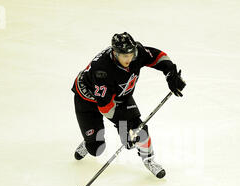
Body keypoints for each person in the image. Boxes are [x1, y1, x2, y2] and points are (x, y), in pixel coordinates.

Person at [72, 32, 186, 178]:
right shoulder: (102, 70)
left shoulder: (137, 53)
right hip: (87, 100)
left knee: (139, 130)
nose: (129, 58)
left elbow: (159, 57)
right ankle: (90, 141)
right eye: (124, 56)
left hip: (119, 97)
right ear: (115, 53)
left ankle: (149, 160)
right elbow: (105, 107)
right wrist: (124, 126)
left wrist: (171, 74)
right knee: (96, 149)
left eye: (131, 54)